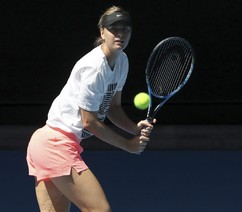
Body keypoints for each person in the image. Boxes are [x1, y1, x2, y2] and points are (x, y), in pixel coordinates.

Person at [26, 5, 155, 212]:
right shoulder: (94, 68)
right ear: (102, 31)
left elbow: (113, 108)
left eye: (125, 29)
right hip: (55, 144)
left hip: (48, 144)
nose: (120, 34)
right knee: (99, 209)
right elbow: (89, 122)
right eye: (114, 28)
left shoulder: (122, 61)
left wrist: (134, 129)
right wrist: (127, 145)